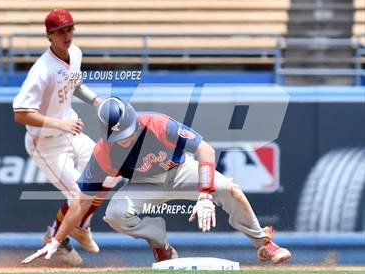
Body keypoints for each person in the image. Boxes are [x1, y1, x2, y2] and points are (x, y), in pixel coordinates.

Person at [22, 97, 292, 265]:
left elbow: (205, 150)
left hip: (179, 170)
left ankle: (263, 244)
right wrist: (57, 240)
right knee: (115, 214)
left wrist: (206, 194)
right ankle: (160, 244)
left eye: (126, 133)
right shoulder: (103, 151)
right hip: (144, 184)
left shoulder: (159, 124)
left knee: (228, 189)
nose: (124, 140)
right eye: (116, 136)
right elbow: (81, 203)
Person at [13, 9, 107, 265]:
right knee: (78, 196)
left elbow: (74, 84)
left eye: (70, 29)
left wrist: (95, 99)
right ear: (49, 36)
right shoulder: (41, 70)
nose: (67, 35)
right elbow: (20, 114)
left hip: (70, 132)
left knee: (108, 171)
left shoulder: (75, 53)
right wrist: (60, 123)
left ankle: (78, 227)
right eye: (60, 31)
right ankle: (57, 239)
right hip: (45, 143)